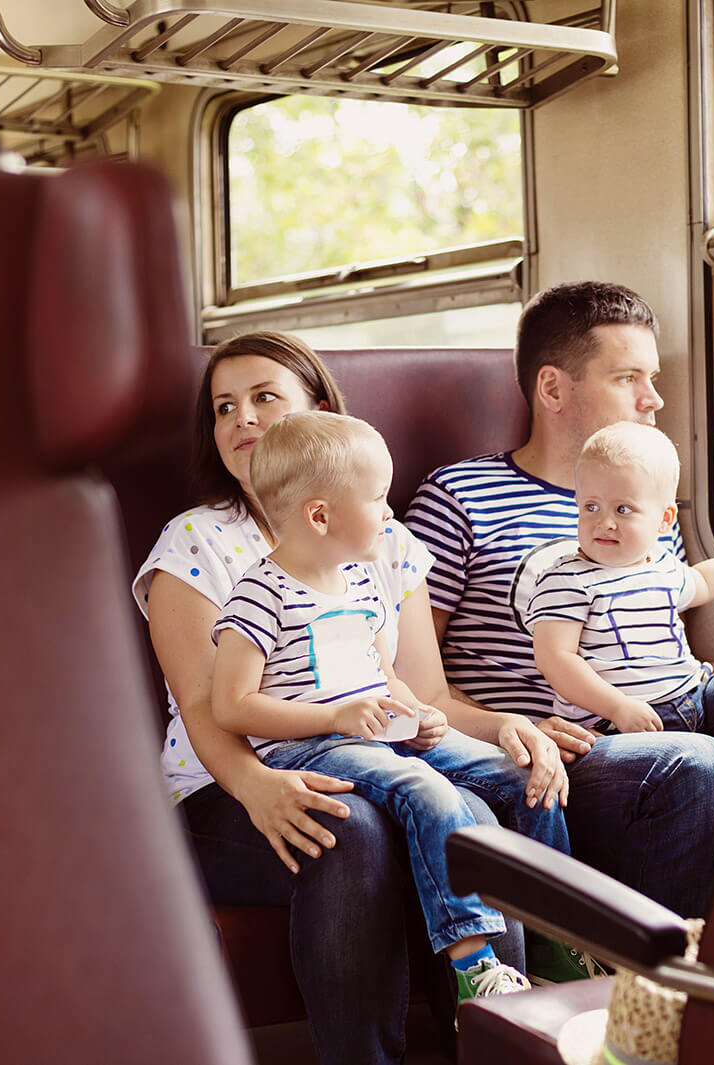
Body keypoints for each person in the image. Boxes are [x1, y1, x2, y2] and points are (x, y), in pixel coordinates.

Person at [132, 331, 568, 1065]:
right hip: (229, 778)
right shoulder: (197, 543)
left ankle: (521, 1013)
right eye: (223, 407)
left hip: (369, 743)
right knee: (349, 823)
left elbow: (406, 685)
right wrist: (259, 786)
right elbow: (211, 704)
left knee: (493, 796)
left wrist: (504, 727)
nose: (241, 419)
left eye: (265, 397)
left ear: (322, 412)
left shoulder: (381, 539)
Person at [404, 281, 714, 919]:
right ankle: (653, 992)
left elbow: (655, 627)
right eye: (628, 378)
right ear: (552, 389)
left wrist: (706, 677)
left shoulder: (648, 501)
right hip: (549, 754)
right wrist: (513, 730)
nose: (653, 400)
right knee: (700, 766)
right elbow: (409, 683)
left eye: (651, 378)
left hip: (651, 718)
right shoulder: (458, 497)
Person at [212, 410, 573, 1003]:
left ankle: (560, 937)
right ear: (319, 516)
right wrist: (334, 717)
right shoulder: (259, 593)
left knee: (524, 773)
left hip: (381, 733)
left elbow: (384, 679)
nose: (390, 512)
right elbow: (232, 706)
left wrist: (418, 715)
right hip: (312, 746)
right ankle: (474, 965)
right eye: (379, 498)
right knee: (429, 792)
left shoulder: (361, 581)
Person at [526, 422, 714, 767]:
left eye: (622, 510)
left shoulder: (663, 567)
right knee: (690, 762)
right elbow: (555, 658)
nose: (604, 522)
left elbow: (705, 581)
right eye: (591, 507)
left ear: (664, 519)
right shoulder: (567, 578)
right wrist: (617, 707)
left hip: (691, 694)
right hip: (612, 723)